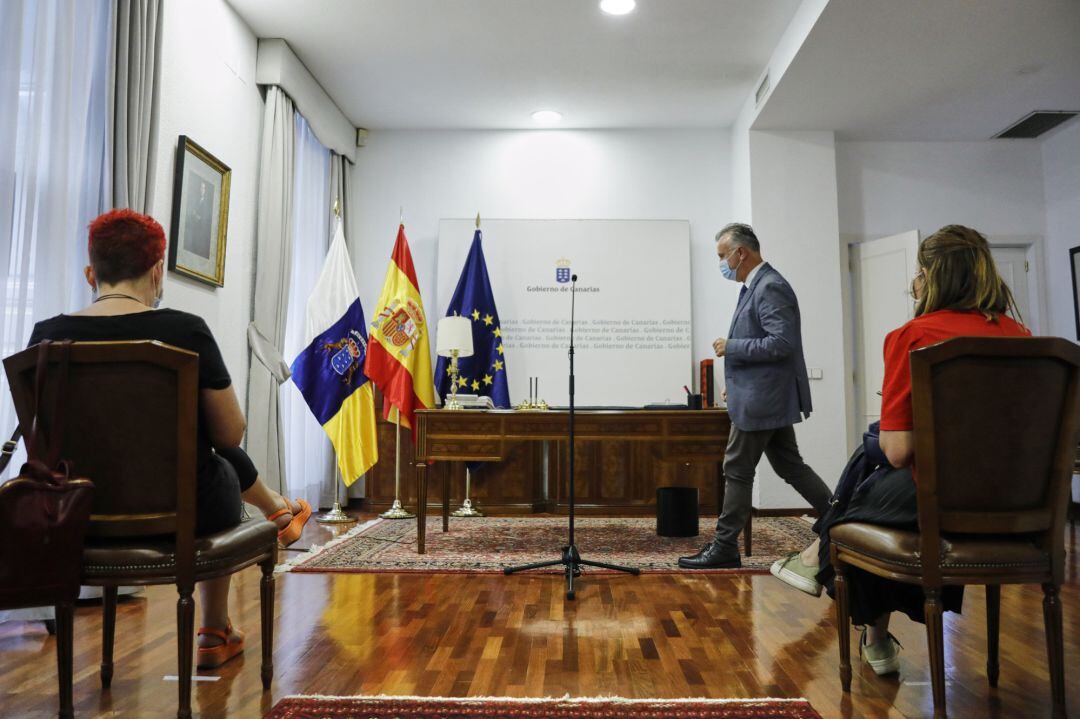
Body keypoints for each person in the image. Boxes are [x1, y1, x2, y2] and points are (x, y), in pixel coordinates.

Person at [28, 208, 312, 670]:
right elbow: (230, 433)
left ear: (90, 272)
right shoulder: (185, 331)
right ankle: (215, 628)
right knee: (213, 457)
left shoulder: (47, 337)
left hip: (78, 512)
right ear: (158, 270)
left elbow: (43, 444)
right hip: (186, 510)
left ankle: (274, 511)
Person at [769, 224, 1030, 675]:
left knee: (860, 499)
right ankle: (850, 604)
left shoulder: (914, 336)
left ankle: (822, 561)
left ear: (931, 275)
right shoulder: (1024, 339)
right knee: (870, 466)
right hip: (1017, 501)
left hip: (938, 498)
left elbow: (897, 452)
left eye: (918, 272)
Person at [680, 223, 832, 569]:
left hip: (763, 401)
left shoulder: (771, 286)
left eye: (722, 256)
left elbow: (782, 343)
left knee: (736, 467)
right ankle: (840, 518)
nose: (721, 263)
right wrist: (736, 383)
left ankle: (724, 547)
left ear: (741, 253)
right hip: (763, 396)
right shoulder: (756, 286)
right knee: (790, 466)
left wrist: (732, 347)